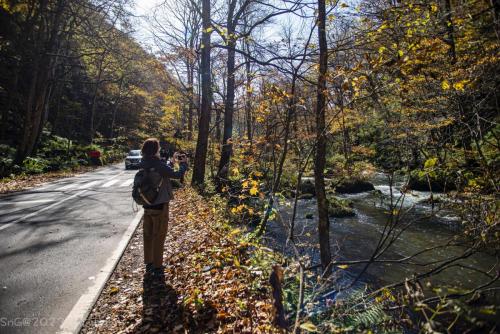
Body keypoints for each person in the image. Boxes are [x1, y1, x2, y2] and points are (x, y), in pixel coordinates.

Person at [139, 138, 188, 277]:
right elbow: (177, 175)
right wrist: (183, 165)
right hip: (160, 205)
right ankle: (158, 266)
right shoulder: (158, 164)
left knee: (147, 234)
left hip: (147, 204)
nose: (160, 150)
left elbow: (164, 170)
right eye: (158, 148)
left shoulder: (144, 162)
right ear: (155, 150)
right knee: (159, 235)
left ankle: (148, 261)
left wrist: (171, 162)